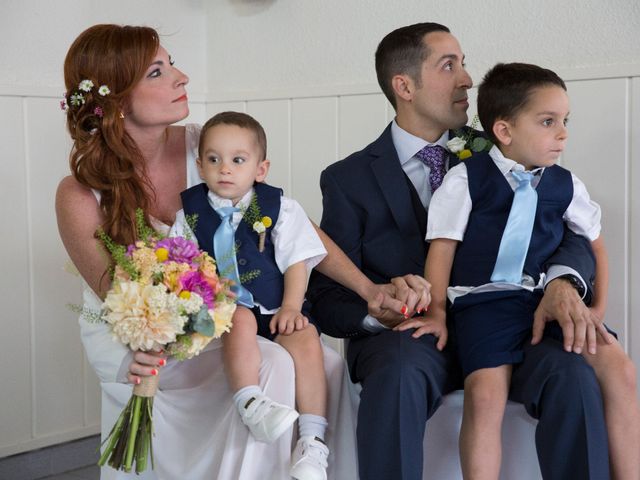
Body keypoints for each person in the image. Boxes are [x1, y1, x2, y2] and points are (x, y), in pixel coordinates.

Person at [308, 22, 613, 480]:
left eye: (464, 63)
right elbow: (328, 302)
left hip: (510, 326)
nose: (467, 79)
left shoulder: (507, 149)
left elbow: (570, 231)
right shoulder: (347, 180)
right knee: (396, 370)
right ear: (404, 86)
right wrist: (378, 309)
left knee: (573, 371)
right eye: (449, 65)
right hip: (413, 342)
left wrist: (564, 281)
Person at [55, 24, 360, 480]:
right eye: (158, 72)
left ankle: (311, 459)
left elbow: (286, 225)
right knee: (274, 364)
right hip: (143, 333)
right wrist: (161, 333)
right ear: (116, 99)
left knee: (326, 361)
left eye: (172, 62)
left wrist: (369, 290)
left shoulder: (206, 146)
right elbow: (113, 295)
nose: (182, 77)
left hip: (230, 314)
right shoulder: (79, 195)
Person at [422, 62, 640, 480]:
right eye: (547, 122)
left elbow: (596, 245)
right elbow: (442, 250)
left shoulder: (566, 184)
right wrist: (436, 311)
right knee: (485, 397)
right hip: (483, 303)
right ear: (504, 131)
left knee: (621, 368)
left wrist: (597, 309)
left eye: (565, 121)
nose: (562, 133)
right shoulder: (467, 179)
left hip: (542, 301)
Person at [171, 111, 330, 480]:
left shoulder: (280, 208)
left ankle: (312, 442)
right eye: (213, 159)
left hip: (275, 306)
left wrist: (292, 306)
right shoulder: (190, 214)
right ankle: (251, 401)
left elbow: (297, 261)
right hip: (226, 312)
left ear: (260, 168)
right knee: (238, 317)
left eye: (238, 160)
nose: (224, 169)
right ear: (200, 165)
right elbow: (181, 264)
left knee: (305, 337)